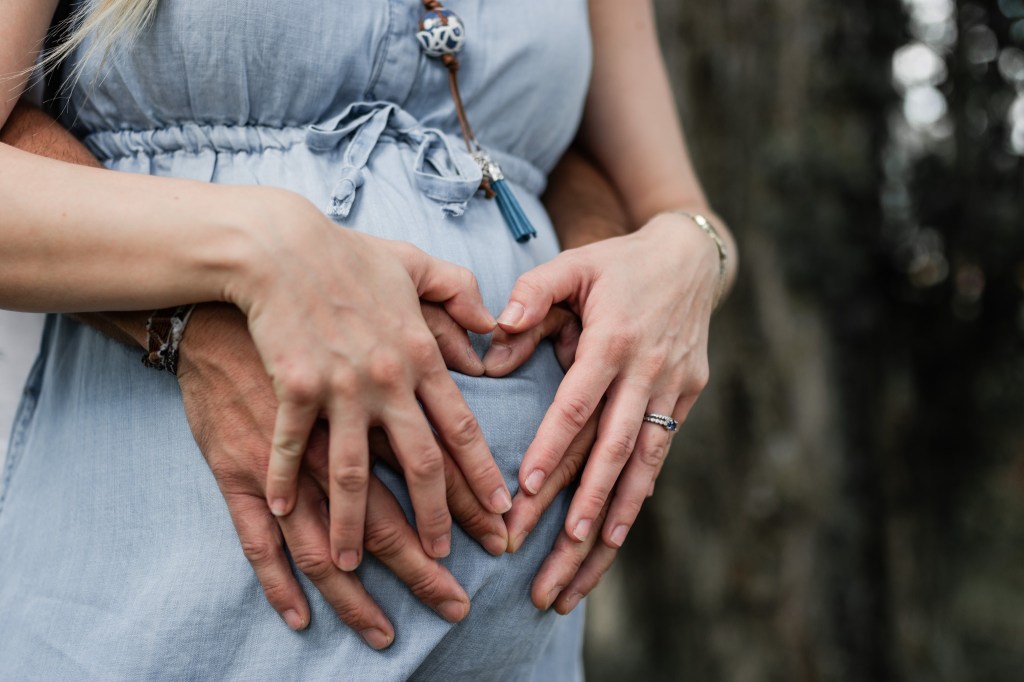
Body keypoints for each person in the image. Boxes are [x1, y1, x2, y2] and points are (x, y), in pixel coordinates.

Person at [0, 0, 736, 678]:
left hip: (522, 645)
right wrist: (250, 258)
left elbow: (659, 198)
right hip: (175, 600)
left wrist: (687, 256)